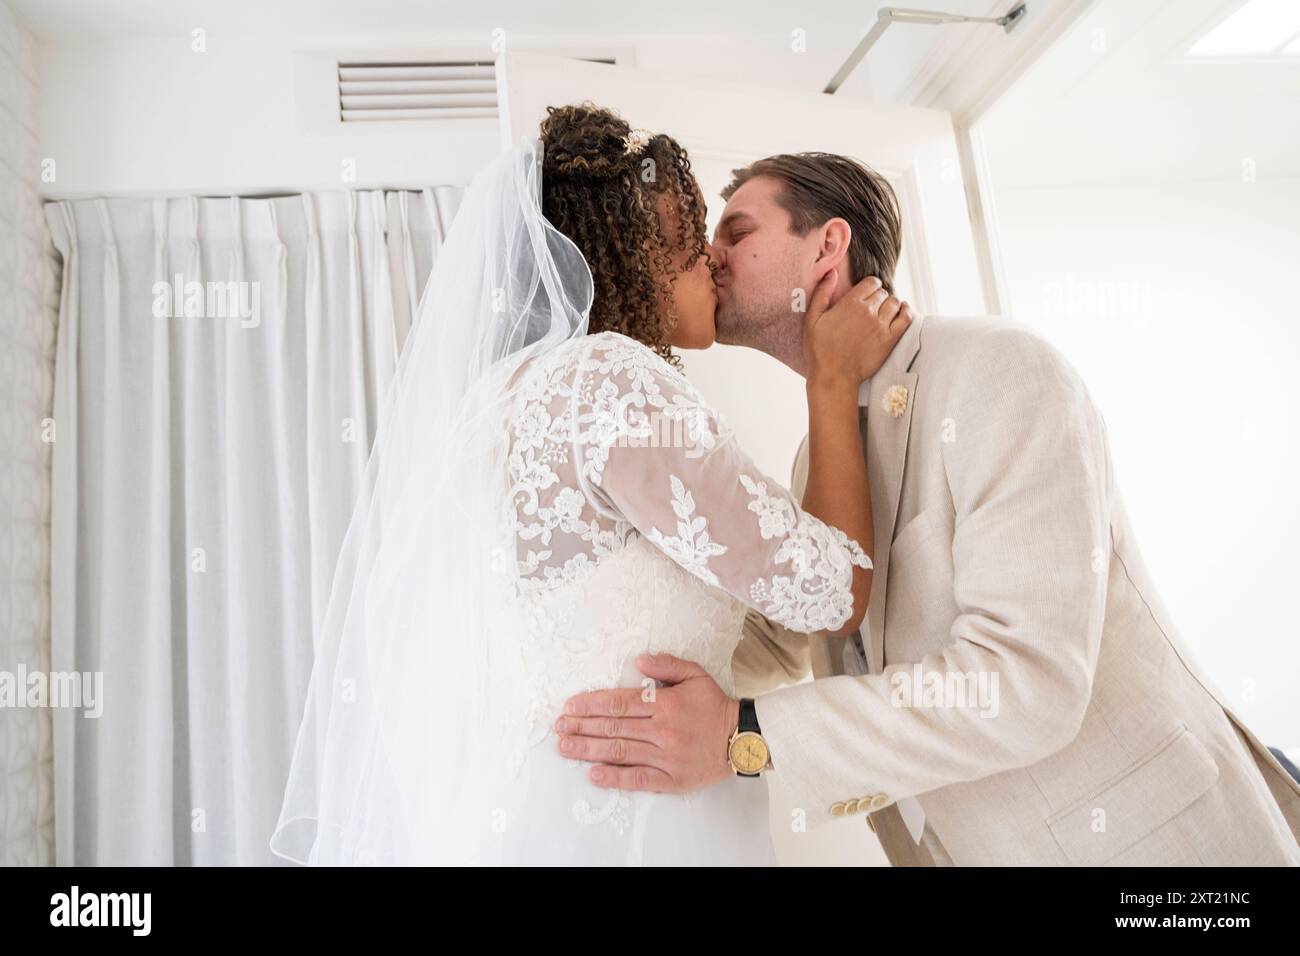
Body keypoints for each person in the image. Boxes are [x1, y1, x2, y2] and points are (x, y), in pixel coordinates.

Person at [269, 104, 912, 865]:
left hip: (539, 812)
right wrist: (832, 382)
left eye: (724, 234)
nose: (709, 259)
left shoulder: (502, 398)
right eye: (689, 234)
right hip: (634, 823)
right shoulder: (610, 381)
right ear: (624, 250)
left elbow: (751, 630)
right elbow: (833, 592)